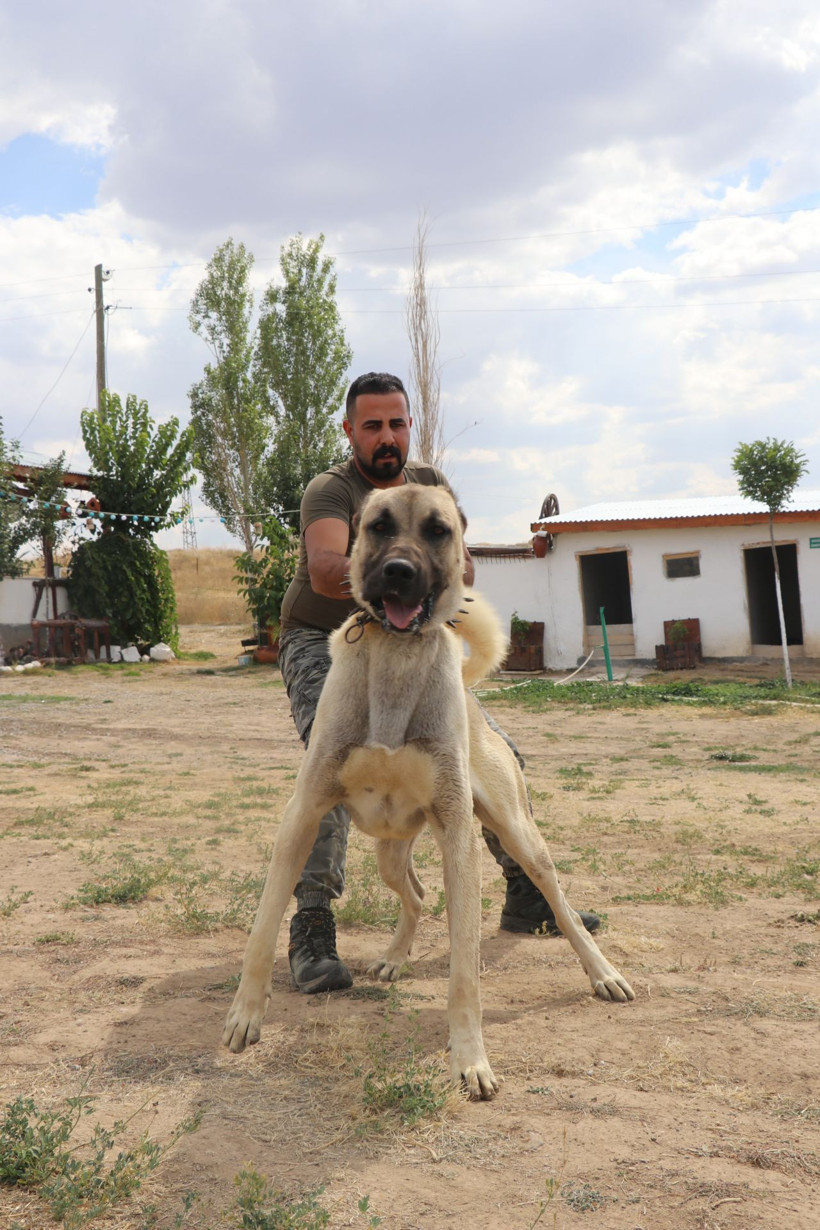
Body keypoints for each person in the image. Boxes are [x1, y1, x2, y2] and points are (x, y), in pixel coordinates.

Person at [278, 371, 600, 993]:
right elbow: (322, 570)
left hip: (414, 635)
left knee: (494, 754)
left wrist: (423, 579)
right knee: (334, 765)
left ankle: (524, 893)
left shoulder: (431, 484)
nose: (387, 436)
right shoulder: (331, 490)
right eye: (372, 425)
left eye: (397, 423)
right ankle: (312, 925)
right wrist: (396, 573)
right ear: (350, 431)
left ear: (409, 427)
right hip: (327, 638)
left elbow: (464, 567)